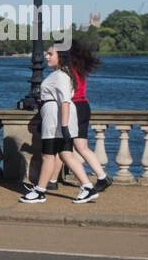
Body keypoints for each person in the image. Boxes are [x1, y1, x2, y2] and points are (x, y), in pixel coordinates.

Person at [20, 45, 96, 204]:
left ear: (60, 56)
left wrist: (64, 126)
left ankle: (40, 191)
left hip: (55, 121)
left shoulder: (60, 75)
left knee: (48, 156)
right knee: (65, 154)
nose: (46, 57)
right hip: (57, 119)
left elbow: (65, 102)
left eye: (50, 54)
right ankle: (88, 187)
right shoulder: (63, 74)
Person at [68, 38, 111, 196]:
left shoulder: (67, 69)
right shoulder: (79, 67)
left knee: (65, 149)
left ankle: (86, 183)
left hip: (74, 107)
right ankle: (102, 177)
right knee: (82, 147)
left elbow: (68, 92)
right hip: (84, 105)